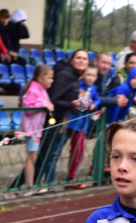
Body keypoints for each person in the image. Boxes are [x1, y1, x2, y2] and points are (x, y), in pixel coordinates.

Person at [35, 49, 89, 185]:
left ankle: (40, 185)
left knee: (50, 154)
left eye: (85, 58)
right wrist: (72, 103)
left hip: (62, 119)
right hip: (52, 119)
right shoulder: (66, 75)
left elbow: (70, 100)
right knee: (48, 154)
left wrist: (80, 105)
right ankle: (41, 185)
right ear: (72, 59)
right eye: (79, 58)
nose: (81, 61)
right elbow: (53, 98)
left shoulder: (75, 76)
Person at [16, 63, 52, 194]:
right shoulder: (33, 89)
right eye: (49, 78)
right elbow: (28, 108)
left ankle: (31, 184)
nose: (51, 81)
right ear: (41, 78)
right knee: (32, 157)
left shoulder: (41, 89)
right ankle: (29, 186)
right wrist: (44, 104)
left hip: (37, 129)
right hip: (31, 129)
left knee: (33, 156)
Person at [65, 64, 99, 188]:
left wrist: (94, 104)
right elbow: (75, 100)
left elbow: (97, 99)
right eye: (88, 74)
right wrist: (82, 103)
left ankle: (71, 177)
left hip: (84, 124)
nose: (90, 78)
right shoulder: (78, 86)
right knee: (76, 151)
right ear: (83, 75)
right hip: (74, 123)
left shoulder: (93, 88)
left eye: (93, 75)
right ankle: (71, 179)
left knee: (80, 153)